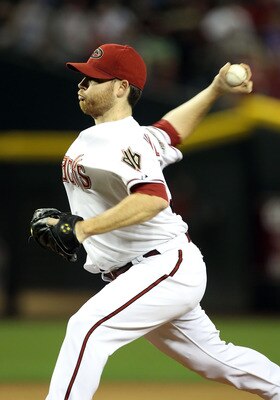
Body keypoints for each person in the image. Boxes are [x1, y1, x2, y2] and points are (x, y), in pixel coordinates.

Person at [42, 43, 280, 399]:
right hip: (147, 270)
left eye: (94, 79)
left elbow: (153, 199)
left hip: (162, 267)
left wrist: (83, 228)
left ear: (121, 87)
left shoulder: (122, 140)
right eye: (82, 78)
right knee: (216, 361)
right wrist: (215, 90)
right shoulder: (130, 136)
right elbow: (171, 130)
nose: (82, 85)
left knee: (87, 328)